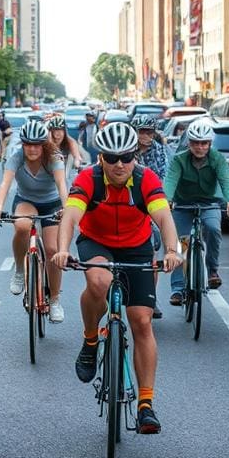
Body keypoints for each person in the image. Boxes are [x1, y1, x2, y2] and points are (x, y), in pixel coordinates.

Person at [52, 122, 182, 435]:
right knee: (98, 281)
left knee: (141, 322)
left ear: (135, 156)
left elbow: (163, 216)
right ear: (101, 159)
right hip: (97, 242)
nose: (119, 164)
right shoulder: (90, 179)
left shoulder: (145, 180)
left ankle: (146, 405)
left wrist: (171, 250)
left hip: (137, 247)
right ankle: (90, 339)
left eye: (126, 156)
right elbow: (70, 215)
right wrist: (61, 249)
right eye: (111, 157)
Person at [0, 120, 68, 322]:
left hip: (51, 203)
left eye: (36, 144)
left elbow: (61, 185)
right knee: (22, 226)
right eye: (27, 144)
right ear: (22, 144)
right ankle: (19, 270)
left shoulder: (54, 158)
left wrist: (66, 209)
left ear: (44, 144)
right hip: (26, 201)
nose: (32, 149)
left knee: (52, 250)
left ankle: (55, 301)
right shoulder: (16, 157)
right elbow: (5, 183)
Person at [163, 119, 229, 304]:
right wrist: (167, 200)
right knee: (182, 242)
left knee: (213, 229)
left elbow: (226, 181)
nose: (199, 147)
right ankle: (178, 288)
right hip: (182, 204)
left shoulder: (217, 159)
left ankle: (212, 270)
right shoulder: (179, 159)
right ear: (189, 143)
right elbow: (170, 181)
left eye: (204, 143)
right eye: (195, 142)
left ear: (210, 144)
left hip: (210, 203)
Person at [133, 115, 169, 319]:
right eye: (142, 131)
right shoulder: (127, 149)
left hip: (151, 201)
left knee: (152, 251)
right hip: (127, 202)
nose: (146, 135)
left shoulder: (159, 150)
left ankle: (150, 298)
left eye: (150, 132)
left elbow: (161, 176)